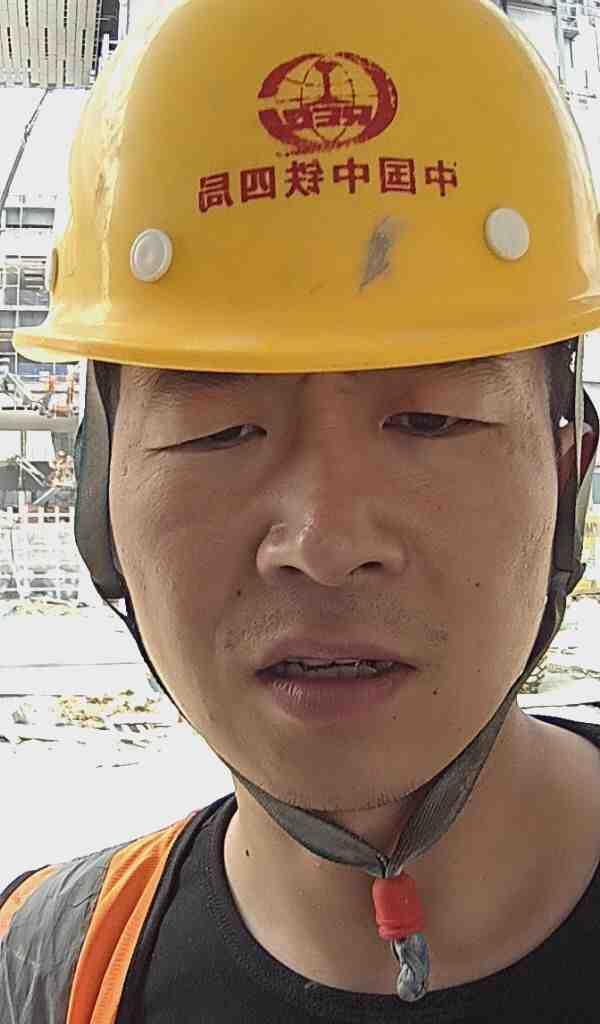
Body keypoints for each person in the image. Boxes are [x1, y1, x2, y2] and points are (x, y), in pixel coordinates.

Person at [2, 0, 600, 1019]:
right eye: (219, 431)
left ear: (568, 469)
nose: (325, 543)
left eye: (431, 421)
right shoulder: (46, 973)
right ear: (100, 503)